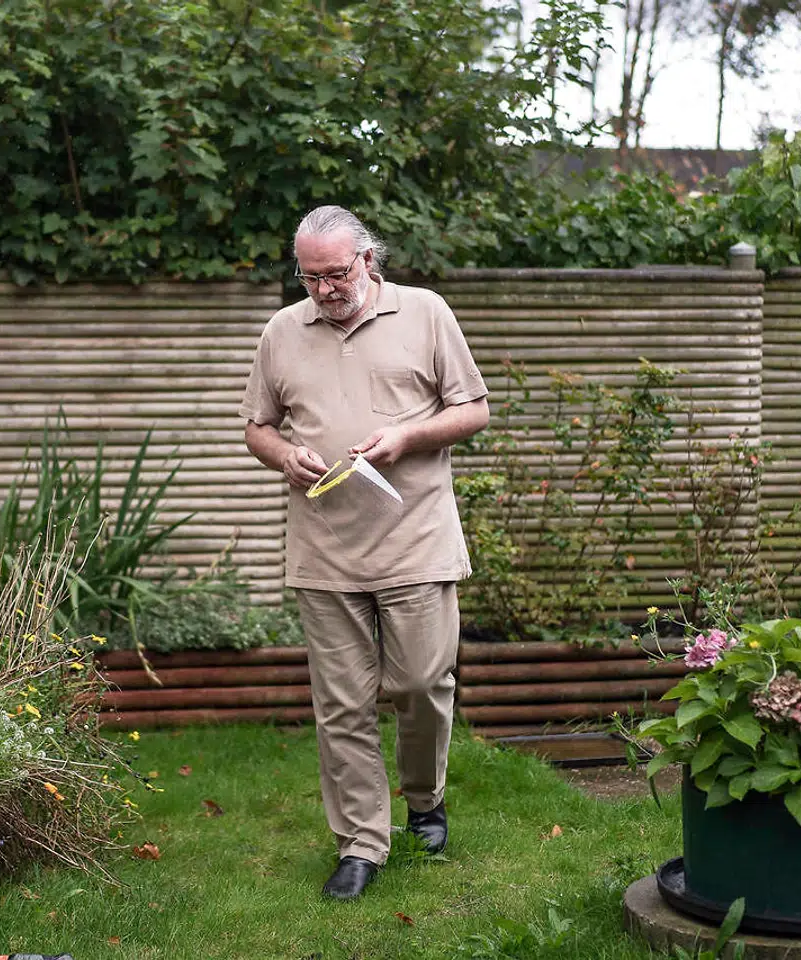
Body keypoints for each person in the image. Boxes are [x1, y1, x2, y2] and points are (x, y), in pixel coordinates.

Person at [239, 205, 490, 899]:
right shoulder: (280, 334)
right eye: (309, 276)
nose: (323, 288)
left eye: (335, 272)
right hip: (325, 550)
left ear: (367, 260)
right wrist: (285, 455)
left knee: (419, 685)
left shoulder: (426, 313)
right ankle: (360, 843)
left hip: (416, 540)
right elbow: (256, 426)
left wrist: (408, 438)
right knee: (342, 703)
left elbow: (473, 408)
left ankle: (424, 796)